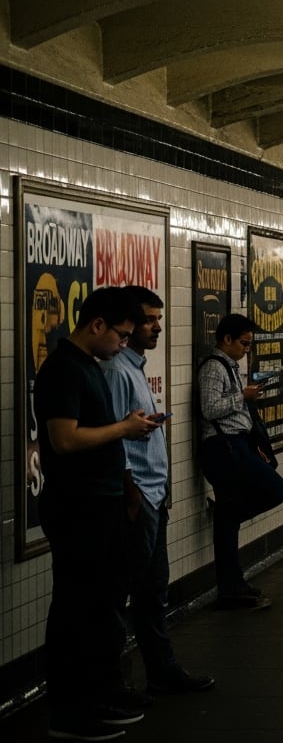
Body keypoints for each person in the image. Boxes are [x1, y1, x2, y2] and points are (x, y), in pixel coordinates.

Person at [35, 286, 163, 741]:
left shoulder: (87, 366)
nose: (124, 344)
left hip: (99, 501)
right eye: (122, 335)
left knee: (99, 607)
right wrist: (124, 428)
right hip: (77, 506)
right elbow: (64, 440)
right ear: (97, 326)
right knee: (76, 611)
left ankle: (99, 694)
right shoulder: (63, 370)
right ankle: (70, 712)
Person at [101, 286, 216, 702]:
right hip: (137, 500)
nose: (158, 326)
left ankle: (162, 671)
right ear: (128, 325)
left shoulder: (133, 368)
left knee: (153, 592)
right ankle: (113, 684)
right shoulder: (116, 371)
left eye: (157, 318)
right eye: (149, 319)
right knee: (121, 595)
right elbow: (113, 443)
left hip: (152, 496)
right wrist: (132, 495)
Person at [197, 314, 283, 610]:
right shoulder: (214, 367)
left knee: (228, 520)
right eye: (244, 343)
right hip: (225, 448)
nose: (247, 349)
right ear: (226, 339)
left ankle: (232, 586)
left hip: (237, 445)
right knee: (276, 489)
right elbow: (209, 408)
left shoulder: (231, 366)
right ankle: (227, 515)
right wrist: (242, 396)